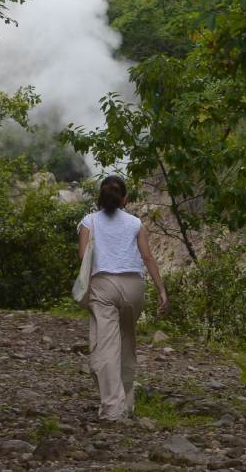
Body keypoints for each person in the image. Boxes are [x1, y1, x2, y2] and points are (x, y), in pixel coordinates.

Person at [77, 174, 168, 421]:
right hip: (133, 287)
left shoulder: (88, 222)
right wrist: (161, 289)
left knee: (105, 347)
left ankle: (113, 409)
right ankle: (127, 402)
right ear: (124, 199)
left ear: (100, 197)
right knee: (127, 341)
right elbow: (148, 258)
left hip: (103, 285)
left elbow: (84, 257)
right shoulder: (136, 223)